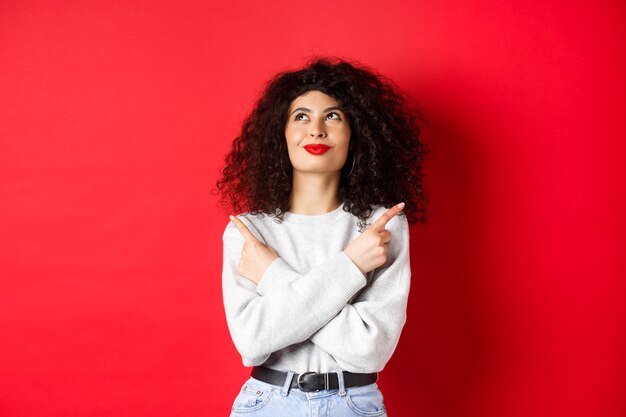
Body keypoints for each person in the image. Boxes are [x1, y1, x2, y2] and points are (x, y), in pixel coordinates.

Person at [215, 57, 428, 417]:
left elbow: (370, 350)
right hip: (266, 403)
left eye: (333, 116)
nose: (316, 130)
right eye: (301, 116)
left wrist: (273, 276)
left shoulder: (381, 227)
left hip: (354, 404)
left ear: (355, 133)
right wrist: (352, 267)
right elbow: (252, 341)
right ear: (280, 134)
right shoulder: (249, 232)